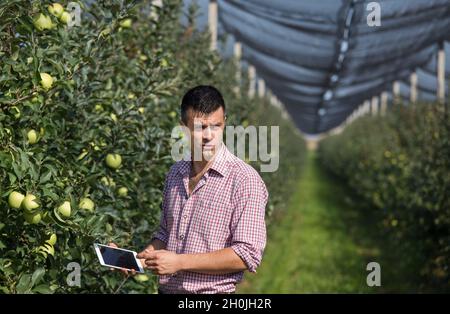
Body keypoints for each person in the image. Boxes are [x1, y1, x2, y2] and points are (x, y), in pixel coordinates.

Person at [111, 85, 268, 294]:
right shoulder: (176, 173)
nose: (209, 135)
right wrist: (141, 258)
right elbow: (167, 234)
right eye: (200, 127)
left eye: (216, 126)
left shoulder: (244, 180)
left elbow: (247, 254)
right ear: (183, 127)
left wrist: (180, 262)